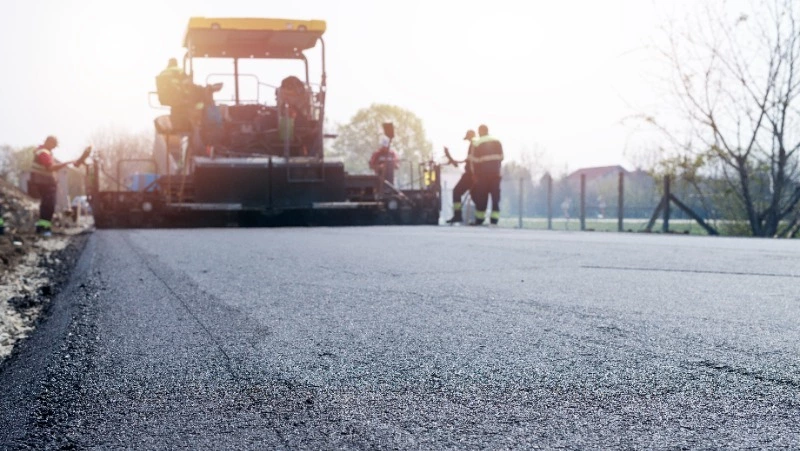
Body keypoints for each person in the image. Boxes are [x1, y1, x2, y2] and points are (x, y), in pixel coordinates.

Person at [28, 136, 75, 236]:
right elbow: (50, 167)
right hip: (44, 183)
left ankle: (43, 227)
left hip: (45, 183)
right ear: (48, 142)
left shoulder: (44, 152)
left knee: (47, 205)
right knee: (48, 206)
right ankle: (44, 229)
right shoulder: (43, 152)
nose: (53, 148)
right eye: (53, 145)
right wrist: (66, 163)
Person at [469, 124, 504, 226]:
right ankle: (494, 219)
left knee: (482, 197)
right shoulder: (497, 141)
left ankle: (480, 219)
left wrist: (474, 175)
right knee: (495, 197)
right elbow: (501, 157)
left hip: (482, 175)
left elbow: (474, 161)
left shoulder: (477, 143)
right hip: (496, 174)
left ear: (480, 131)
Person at [444, 129, 477, 224]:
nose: (468, 140)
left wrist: (454, 161)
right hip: (473, 174)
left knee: (457, 191)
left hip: (470, 175)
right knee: (475, 196)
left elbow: (470, 161)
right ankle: (479, 218)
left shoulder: (473, 145)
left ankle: (458, 215)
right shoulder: (475, 145)